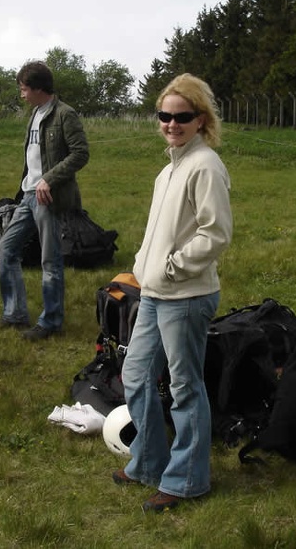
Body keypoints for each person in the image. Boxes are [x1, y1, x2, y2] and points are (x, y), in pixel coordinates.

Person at [113, 74, 233, 513]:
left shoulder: (205, 165)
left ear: (200, 119)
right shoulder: (170, 168)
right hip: (153, 293)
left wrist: (170, 267)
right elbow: (160, 231)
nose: (171, 123)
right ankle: (148, 462)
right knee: (135, 375)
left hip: (186, 297)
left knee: (185, 387)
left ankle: (187, 481)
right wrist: (145, 265)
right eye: (165, 115)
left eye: (182, 116)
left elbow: (216, 233)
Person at [0, 61, 89, 339]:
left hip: (49, 198)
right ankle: (15, 314)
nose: (21, 94)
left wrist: (49, 179)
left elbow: (80, 153)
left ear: (37, 88)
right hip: (28, 196)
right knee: (5, 251)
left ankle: (51, 322)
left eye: (23, 88)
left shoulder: (65, 114)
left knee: (50, 261)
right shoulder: (34, 113)